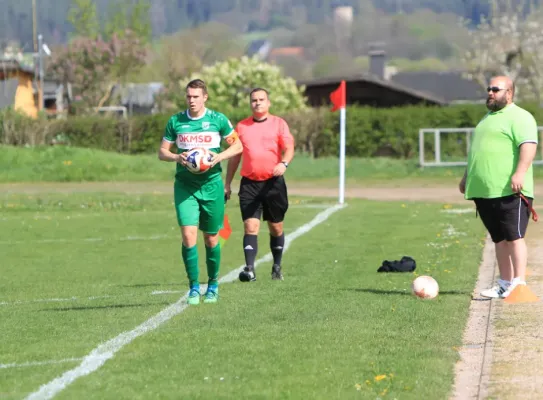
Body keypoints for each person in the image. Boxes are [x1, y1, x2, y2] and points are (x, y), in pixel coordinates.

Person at [158, 79, 243, 305]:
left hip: (212, 185)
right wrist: (177, 157)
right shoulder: (176, 121)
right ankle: (194, 287)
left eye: (196, 96)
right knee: (188, 235)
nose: (192, 100)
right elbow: (162, 152)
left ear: (205, 97)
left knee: (212, 237)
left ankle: (213, 284)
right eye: (189, 96)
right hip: (185, 186)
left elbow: (238, 146)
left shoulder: (218, 120)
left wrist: (219, 157)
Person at [459, 75, 538, 299]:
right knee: (499, 239)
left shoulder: (520, 117)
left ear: (509, 93)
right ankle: (504, 282)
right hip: (484, 190)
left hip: (509, 189)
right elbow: (478, 152)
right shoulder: (486, 118)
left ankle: (518, 282)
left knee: (514, 236)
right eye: (489, 89)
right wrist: (467, 177)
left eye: (496, 89)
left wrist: (520, 173)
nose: (490, 92)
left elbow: (528, 146)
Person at [225, 87, 295, 282]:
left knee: (276, 228)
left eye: (261, 99)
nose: (257, 103)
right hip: (249, 184)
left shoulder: (279, 124)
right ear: (250, 103)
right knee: (250, 226)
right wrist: (227, 183)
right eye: (254, 100)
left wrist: (284, 163)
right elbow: (234, 157)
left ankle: (277, 266)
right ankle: (249, 269)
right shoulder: (241, 127)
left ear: (268, 103)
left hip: (273, 184)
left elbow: (289, 148)